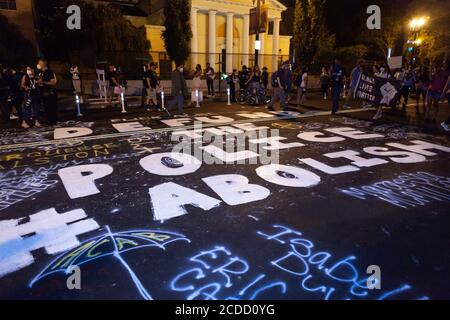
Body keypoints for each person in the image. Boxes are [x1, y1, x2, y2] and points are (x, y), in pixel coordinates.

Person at [36, 59, 58, 126]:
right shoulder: (41, 72)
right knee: (47, 108)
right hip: (44, 93)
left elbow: (53, 82)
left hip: (49, 93)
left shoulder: (49, 72)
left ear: (43, 64)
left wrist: (42, 82)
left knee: (51, 108)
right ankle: (49, 121)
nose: (38, 65)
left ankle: (53, 122)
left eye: (39, 63)